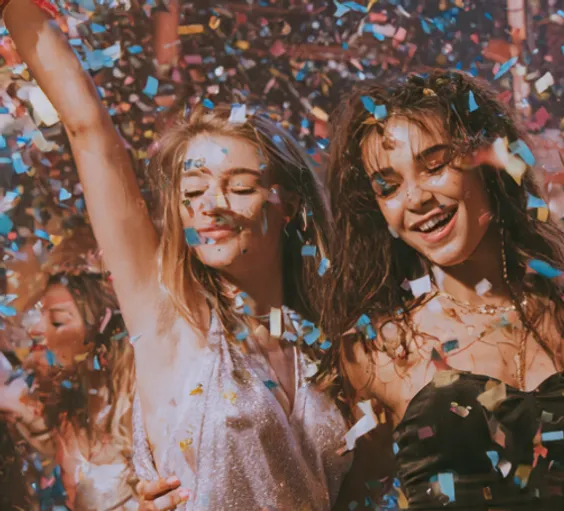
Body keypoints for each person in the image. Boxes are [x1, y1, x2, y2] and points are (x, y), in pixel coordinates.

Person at [2, 1, 351, 509]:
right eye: (193, 190)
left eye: (239, 186)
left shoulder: (325, 340)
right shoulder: (169, 316)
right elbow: (90, 132)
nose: (212, 206)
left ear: (290, 202)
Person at [320, 69, 564, 510]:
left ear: (488, 162)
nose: (415, 199)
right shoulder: (376, 355)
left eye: (434, 165)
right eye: (388, 186)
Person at [0, 230, 138, 510]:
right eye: (40, 315)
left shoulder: (142, 409)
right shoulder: (65, 411)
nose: (36, 329)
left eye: (58, 321)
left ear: (101, 330)